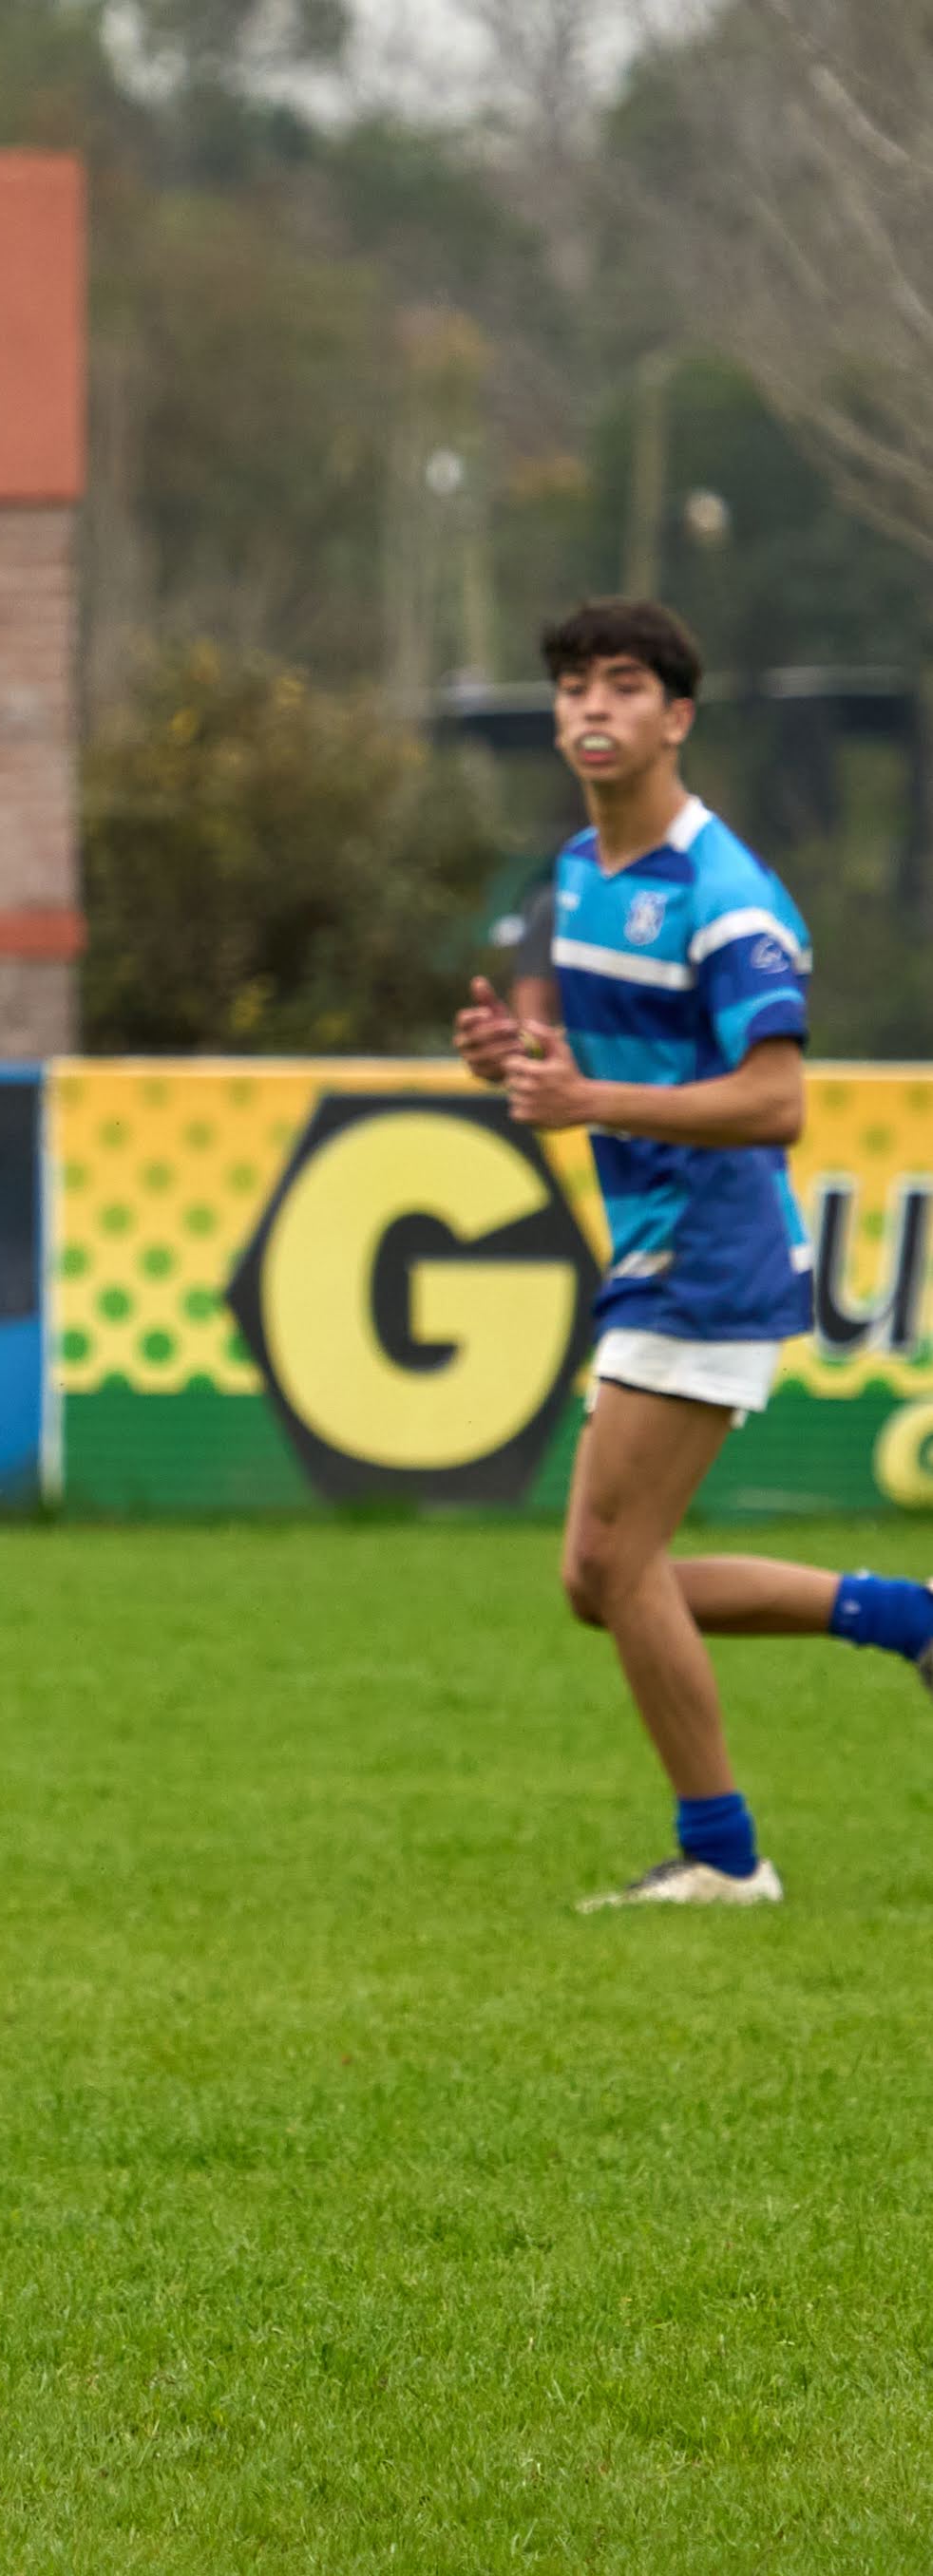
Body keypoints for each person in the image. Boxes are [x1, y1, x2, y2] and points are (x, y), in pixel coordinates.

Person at [455, 597, 933, 1911]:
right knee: (593, 1581)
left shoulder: (722, 893)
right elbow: (620, 1072)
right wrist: (531, 1063)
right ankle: (906, 1620)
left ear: (675, 717)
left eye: (620, 685)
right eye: (568, 687)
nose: (588, 708)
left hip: (710, 1255)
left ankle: (723, 1855)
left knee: (613, 1569)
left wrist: (587, 1102)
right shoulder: (580, 871)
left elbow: (773, 1102)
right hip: (658, 1247)